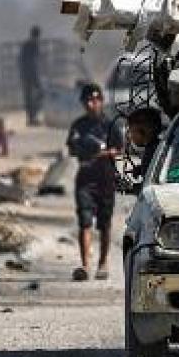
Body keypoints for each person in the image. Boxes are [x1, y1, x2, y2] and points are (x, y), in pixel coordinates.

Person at [66, 83, 124, 281]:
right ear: (83, 103)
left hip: (106, 179)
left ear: (101, 101)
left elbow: (120, 149)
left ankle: (103, 263)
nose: (92, 104)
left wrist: (104, 153)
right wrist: (84, 149)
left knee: (104, 224)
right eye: (88, 101)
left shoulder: (110, 125)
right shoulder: (79, 126)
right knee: (84, 221)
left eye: (95, 100)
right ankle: (85, 265)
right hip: (85, 179)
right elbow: (71, 148)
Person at [124, 107, 163, 178]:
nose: (130, 136)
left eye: (132, 131)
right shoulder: (157, 147)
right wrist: (140, 169)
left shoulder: (152, 151)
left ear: (144, 130)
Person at [19, 26, 44, 126]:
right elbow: (33, 62)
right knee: (36, 95)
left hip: (27, 74)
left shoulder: (27, 45)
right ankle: (31, 118)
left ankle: (32, 117)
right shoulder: (33, 46)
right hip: (31, 74)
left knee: (31, 96)